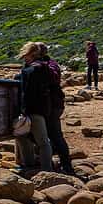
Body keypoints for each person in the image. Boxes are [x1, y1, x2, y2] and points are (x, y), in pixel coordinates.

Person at [15, 41, 55, 172]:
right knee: (43, 141)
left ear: (29, 55)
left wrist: (23, 111)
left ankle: (30, 166)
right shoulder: (45, 68)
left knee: (22, 136)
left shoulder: (29, 71)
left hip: (31, 110)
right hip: (43, 108)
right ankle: (46, 168)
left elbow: (26, 93)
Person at [37, 43, 74, 174]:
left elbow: (53, 77)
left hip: (52, 105)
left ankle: (66, 166)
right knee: (50, 135)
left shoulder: (49, 64)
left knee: (56, 135)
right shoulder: (49, 63)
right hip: (52, 104)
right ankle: (59, 163)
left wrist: (41, 66)